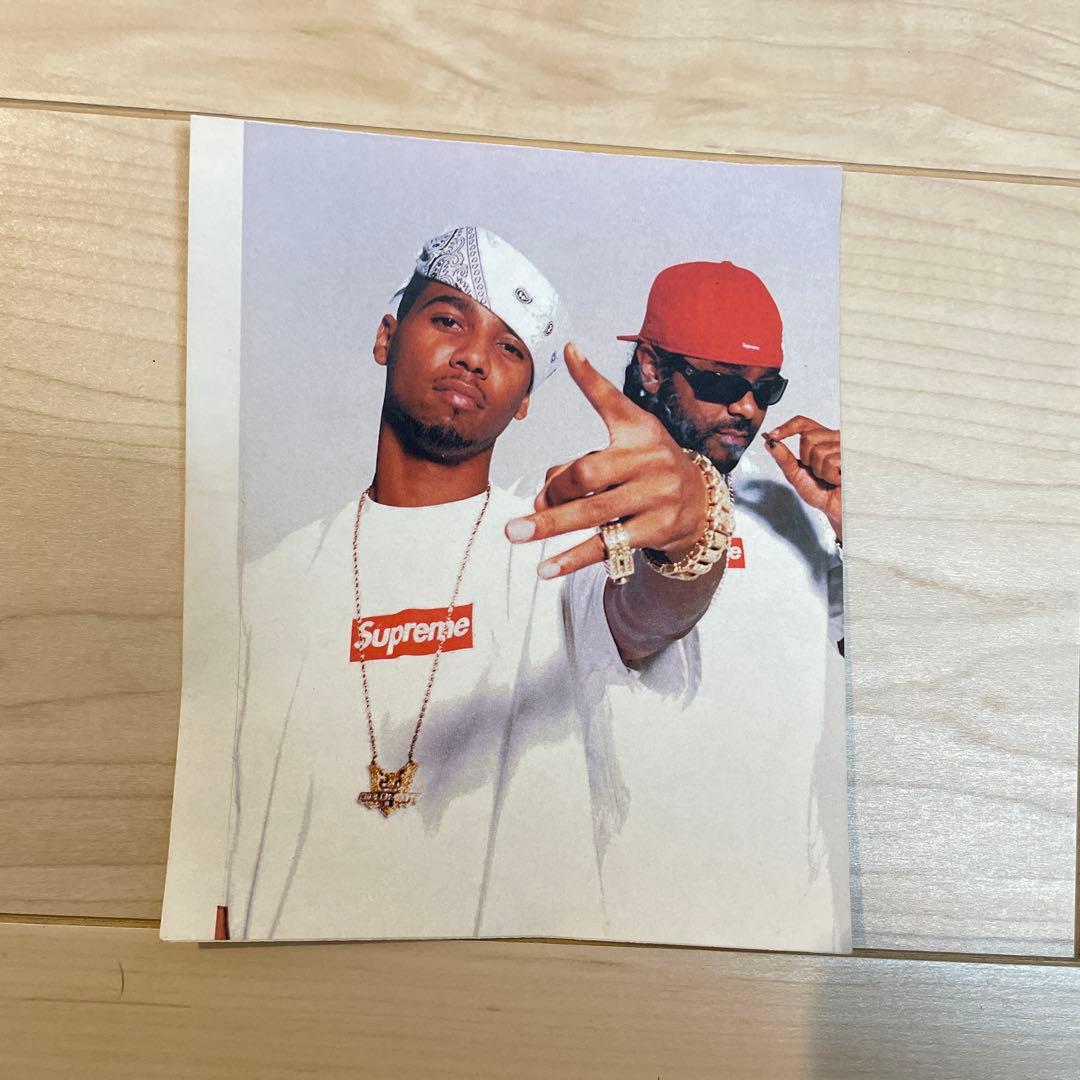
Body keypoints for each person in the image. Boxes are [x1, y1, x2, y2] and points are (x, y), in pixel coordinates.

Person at [216, 228, 731, 941]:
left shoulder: (561, 553)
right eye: (449, 320)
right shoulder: (266, 588)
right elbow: (219, 846)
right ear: (386, 338)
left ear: (523, 402)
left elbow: (650, 618)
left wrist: (694, 529)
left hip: (511, 993)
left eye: (510, 348)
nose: (474, 357)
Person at [580, 261, 850, 951]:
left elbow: (886, 670)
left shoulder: (794, 508)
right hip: (636, 922)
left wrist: (855, 528)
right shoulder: (581, 503)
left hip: (796, 925)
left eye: (767, 389)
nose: (749, 410)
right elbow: (636, 630)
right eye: (724, 384)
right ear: (651, 366)